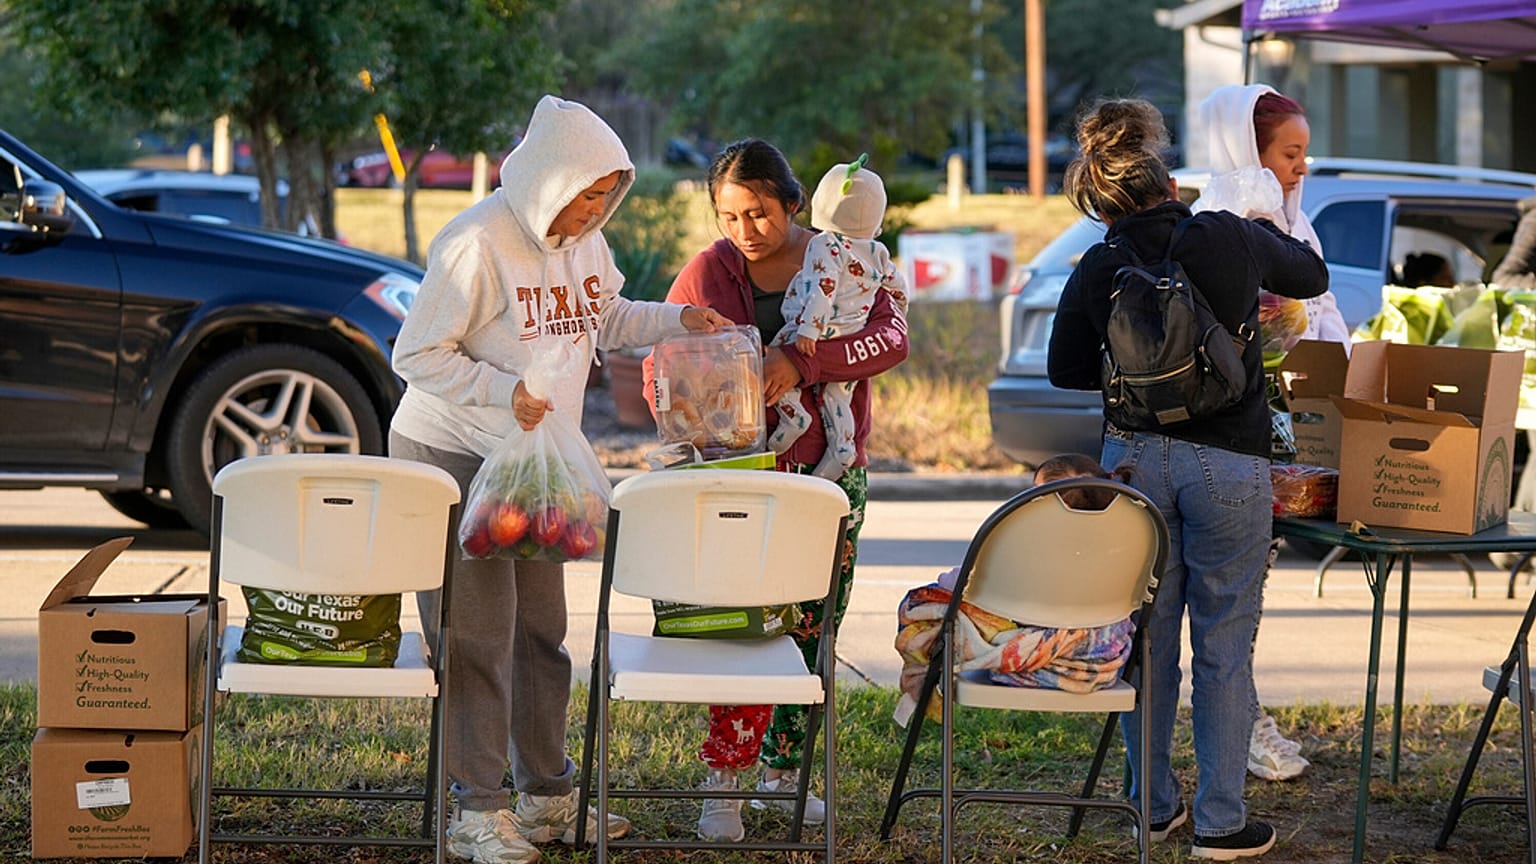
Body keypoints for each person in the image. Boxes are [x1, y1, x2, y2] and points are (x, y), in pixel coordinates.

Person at [388, 94, 728, 864]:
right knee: (475, 633)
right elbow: (414, 356)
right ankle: (476, 811)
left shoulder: (587, 244)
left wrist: (681, 322)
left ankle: (545, 795)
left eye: (609, 197)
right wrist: (497, 392)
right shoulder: (475, 243)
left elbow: (603, 319)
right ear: (548, 181)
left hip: (537, 463)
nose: (597, 211)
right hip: (457, 452)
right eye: (587, 196)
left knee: (541, 630)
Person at [1047, 98, 1328, 859]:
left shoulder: (1102, 262)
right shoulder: (1226, 234)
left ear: (1108, 203)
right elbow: (1311, 274)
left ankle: (1152, 805)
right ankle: (1220, 821)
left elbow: (1065, 369)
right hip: (1229, 461)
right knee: (1225, 640)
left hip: (1134, 462)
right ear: (1172, 186)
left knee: (1149, 635)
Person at [643, 137, 909, 842]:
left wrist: (801, 359)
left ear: (794, 203)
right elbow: (660, 369)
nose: (744, 231)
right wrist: (701, 407)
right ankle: (723, 783)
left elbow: (891, 340)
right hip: (743, 479)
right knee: (747, 632)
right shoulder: (707, 273)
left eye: (759, 213)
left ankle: (783, 777)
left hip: (830, 476)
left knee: (814, 627)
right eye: (728, 217)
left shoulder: (846, 258)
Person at [1201, 82, 1344, 783]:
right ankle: (1241, 726)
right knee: (1233, 593)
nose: (1301, 167)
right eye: (1290, 153)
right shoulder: (1227, 217)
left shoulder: (1287, 217)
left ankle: (1241, 719)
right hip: (1234, 433)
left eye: (1303, 154)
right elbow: (1273, 323)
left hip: (1278, 422)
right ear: (1247, 149)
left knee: (1247, 586)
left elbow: (1313, 311)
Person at [891, 454, 1137, 727]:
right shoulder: (1124, 545)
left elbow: (964, 586)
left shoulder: (1023, 542)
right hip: (1099, 661)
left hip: (1021, 661)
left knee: (920, 603)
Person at [766, 154, 910, 479]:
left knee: (774, 364)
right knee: (837, 398)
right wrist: (901, 309)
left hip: (814, 333)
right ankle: (842, 450)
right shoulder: (878, 252)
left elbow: (822, 288)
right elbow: (898, 288)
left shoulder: (825, 244)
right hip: (850, 335)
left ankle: (793, 419)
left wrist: (808, 330)